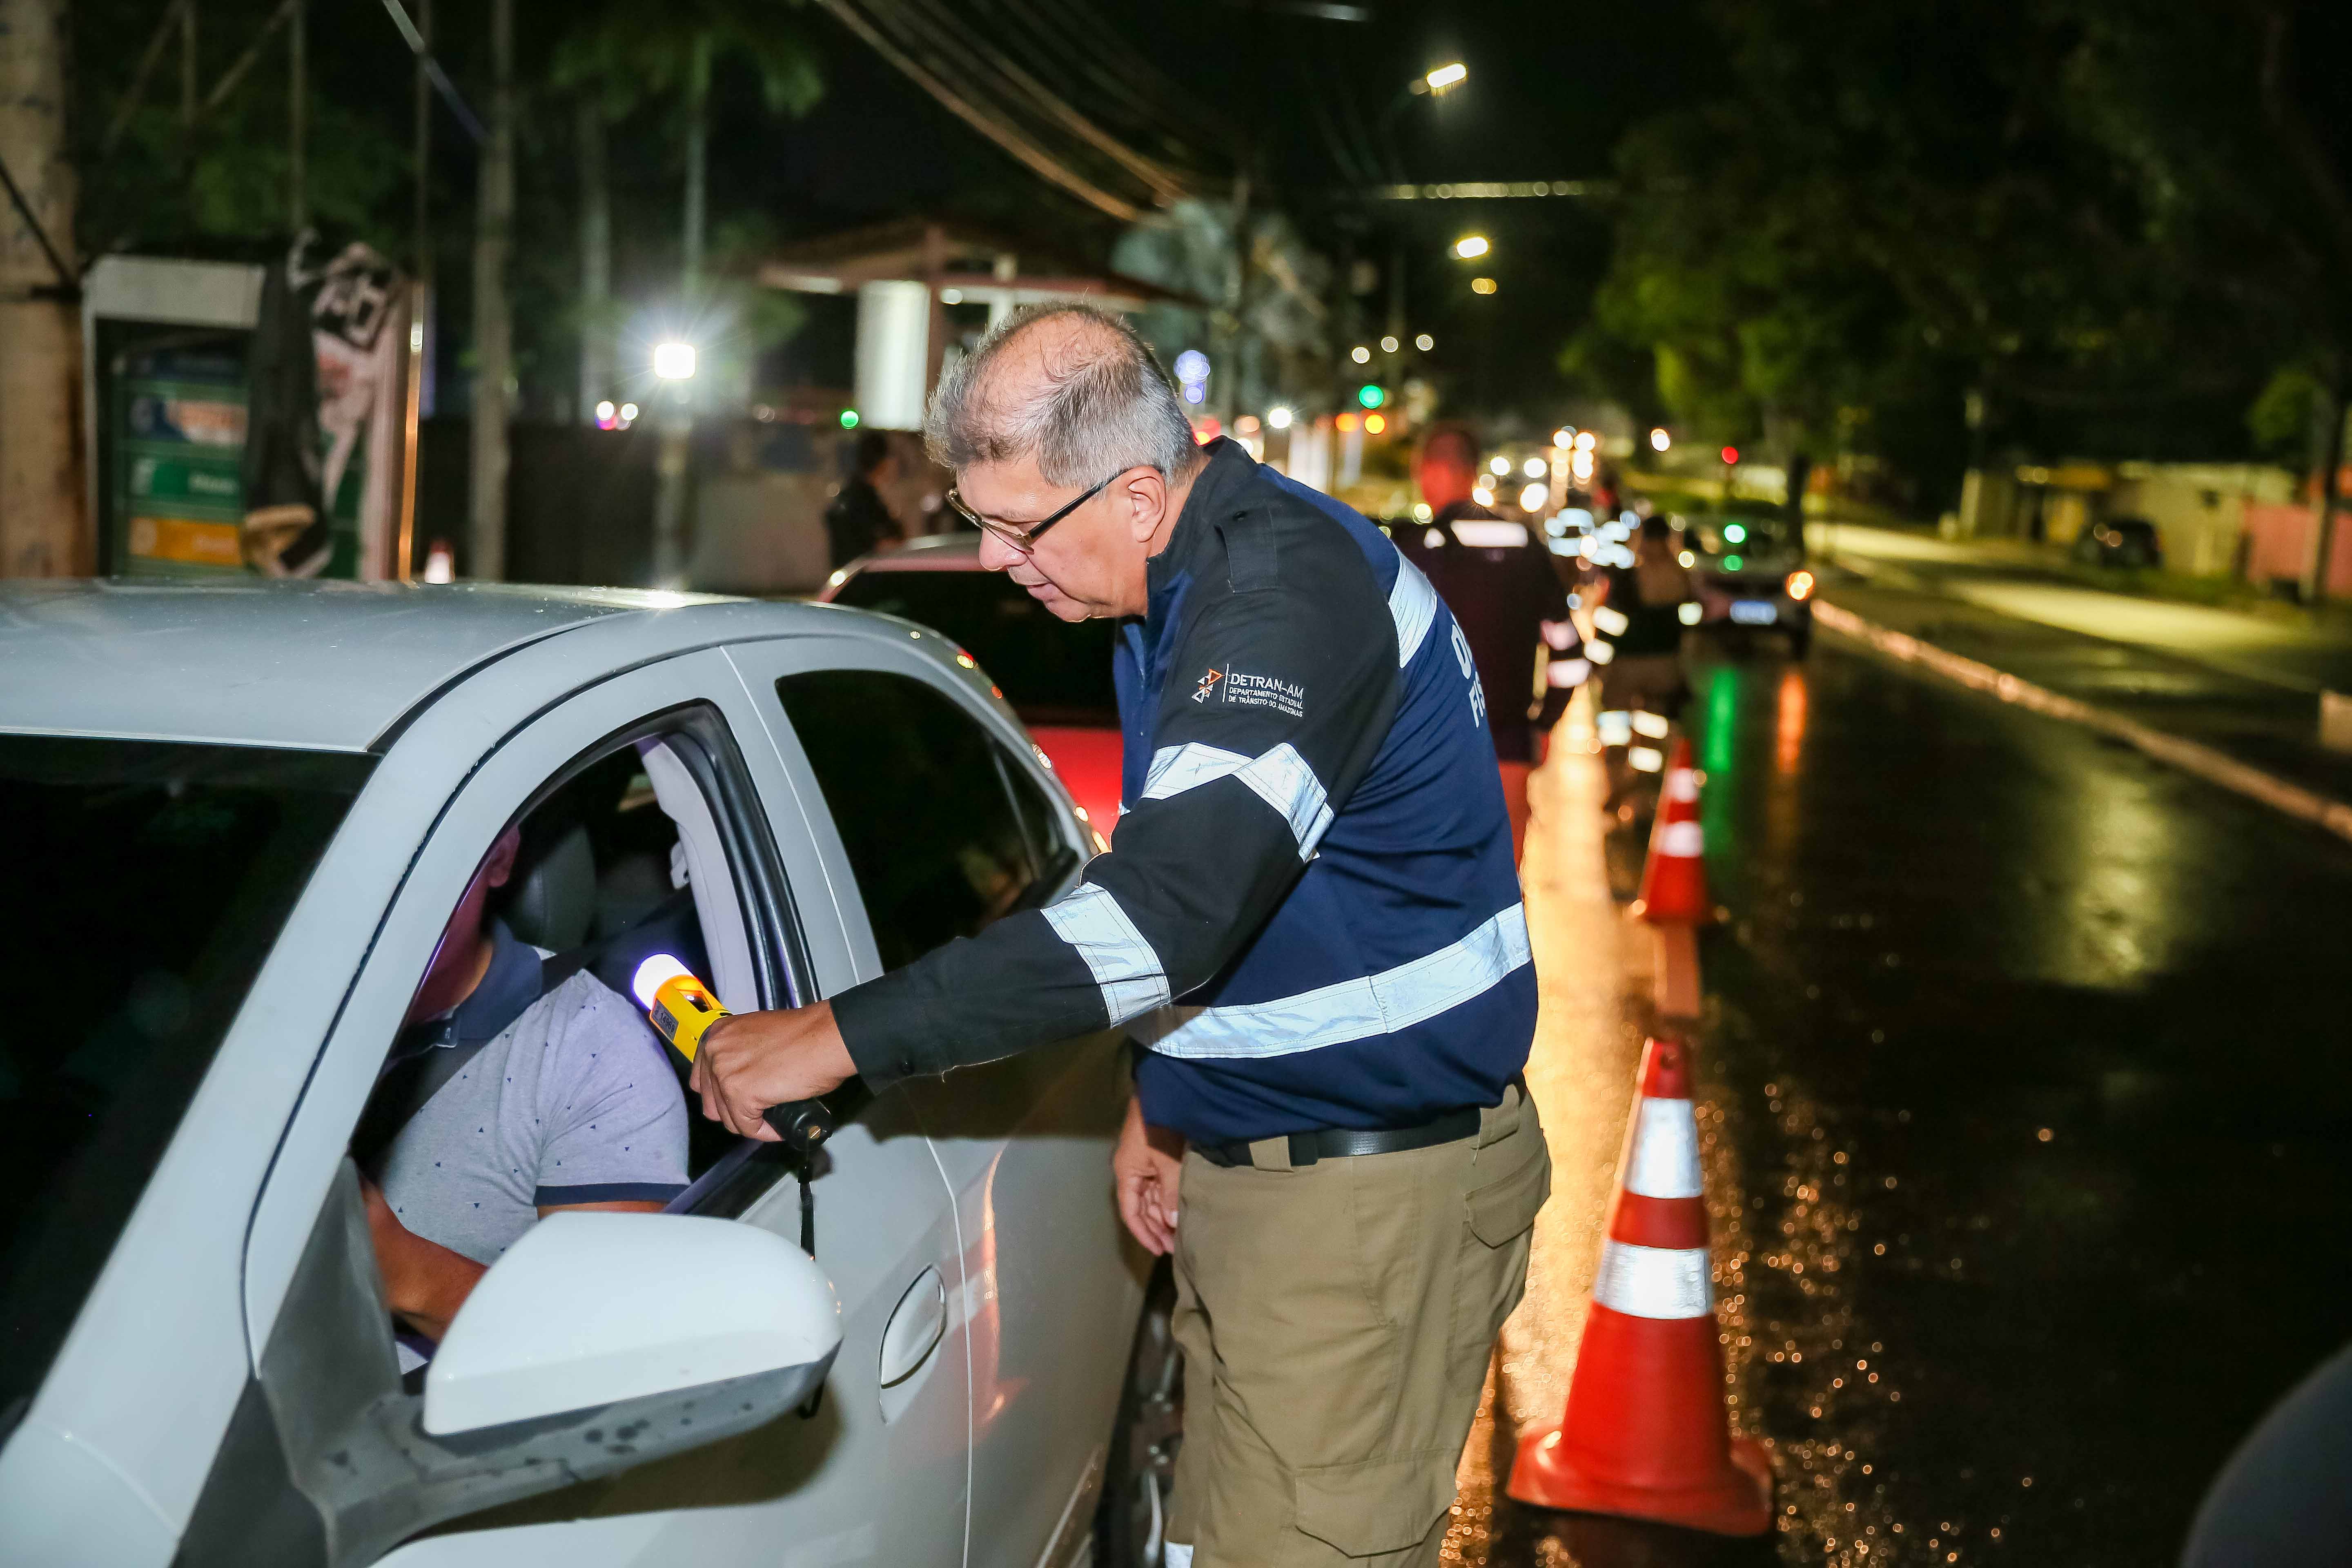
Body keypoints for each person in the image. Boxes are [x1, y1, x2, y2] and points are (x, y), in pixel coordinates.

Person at [688, 304, 1551, 1568]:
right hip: (1286, 1175)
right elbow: (1230, 889)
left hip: (1371, 1204)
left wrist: (832, 1038)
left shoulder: (1281, 599)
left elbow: (1172, 914)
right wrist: (1169, 1089)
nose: (994, 560)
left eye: (1013, 524)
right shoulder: (1182, 579)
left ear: (1138, 494)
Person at [356, 824, 689, 1350]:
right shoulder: (249, 1010)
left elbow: (610, 1345)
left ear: (501, 858)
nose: (396, 894)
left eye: (431, 858)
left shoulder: (591, 1050)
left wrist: (403, 1271)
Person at [1400, 422, 1589, 859]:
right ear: (1473, 473)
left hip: (1423, 753)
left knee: (1423, 888)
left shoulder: (1414, 552)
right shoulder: (1524, 546)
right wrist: (1544, 724)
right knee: (1498, 893)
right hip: (1506, 748)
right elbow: (1570, 655)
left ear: (1430, 472)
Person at [1586, 512, 1695, 812]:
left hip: (1627, 667)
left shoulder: (1628, 579)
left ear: (1643, 540)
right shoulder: (1681, 578)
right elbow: (1688, 622)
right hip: (1665, 667)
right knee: (1654, 730)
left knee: (1615, 726)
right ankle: (1644, 793)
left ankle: (1617, 784)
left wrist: (1596, 663)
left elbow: (1610, 625)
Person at [824, 430, 902, 569]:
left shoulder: (849, 495)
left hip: (849, 575)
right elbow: (890, 538)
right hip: (863, 574)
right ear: (881, 462)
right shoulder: (865, 500)